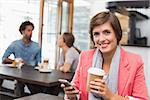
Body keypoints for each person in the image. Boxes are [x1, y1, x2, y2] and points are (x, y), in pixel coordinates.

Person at [62, 11, 148, 100]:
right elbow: (77, 90)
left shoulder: (135, 61)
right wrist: (72, 96)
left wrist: (111, 96)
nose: (101, 39)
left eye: (107, 32)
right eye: (96, 34)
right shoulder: (85, 56)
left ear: (117, 34)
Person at [1, 21, 41, 96]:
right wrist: (15, 61)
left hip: (32, 75)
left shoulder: (36, 46)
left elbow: (39, 63)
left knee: (36, 89)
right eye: (28, 30)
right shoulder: (15, 44)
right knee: (19, 84)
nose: (31, 33)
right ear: (22, 31)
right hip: (18, 74)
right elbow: (4, 59)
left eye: (32, 30)